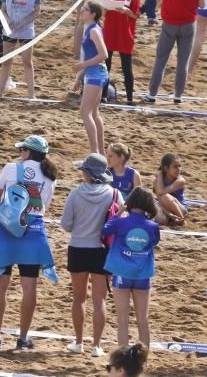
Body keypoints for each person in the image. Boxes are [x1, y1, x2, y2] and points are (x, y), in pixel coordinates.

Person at [0, 135, 57, 350]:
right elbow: (44, 205)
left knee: (1, 285)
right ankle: (23, 338)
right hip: (33, 230)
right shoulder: (50, 176)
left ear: (27, 152)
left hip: (7, 228)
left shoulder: (11, 168)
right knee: (29, 286)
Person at [61, 153, 118, 357]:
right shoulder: (113, 194)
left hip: (78, 247)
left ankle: (78, 342)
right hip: (102, 250)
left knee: (79, 298)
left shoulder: (75, 193)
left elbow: (66, 224)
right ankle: (96, 345)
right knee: (99, 300)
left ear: (87, 172)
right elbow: (119, 221)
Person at [102, 187, 161, 348]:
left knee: (122, 320)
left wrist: (118, 212)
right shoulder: (152, 226)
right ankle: (143, 360)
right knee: (143, 319)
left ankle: (123, 358)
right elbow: (155, 242)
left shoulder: (121, 222)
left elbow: (105, 230)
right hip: (142, 275)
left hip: (122, 273)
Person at [146, 0, 203, 103]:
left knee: (161, 60)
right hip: (188, 24)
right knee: (182, 62)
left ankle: (152, 94)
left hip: (170, 23)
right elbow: (202, 3)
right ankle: (178, 96)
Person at [0, 0, 41, 99]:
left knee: (27, 61)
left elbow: (37, 11)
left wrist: (22, 22)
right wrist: (8, 20)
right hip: (10, 29)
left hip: (26, 30)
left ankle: (31, 95)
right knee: (6, 61)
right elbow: (2, 9)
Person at [99, 0, 141, 105]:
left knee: (126, 67)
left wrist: (126, 11)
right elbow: (102, 10)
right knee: (106, 65)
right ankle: (103, 95)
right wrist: (105, 7)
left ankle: (130, 99)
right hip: (110, 30)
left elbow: (135, 14)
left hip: (125, 32)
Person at [73, 2, 109, 154]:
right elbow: (92, 55)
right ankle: (100, 152)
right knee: (94, 113)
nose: (82, 11)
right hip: (95, 73)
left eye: (85, 10)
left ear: (93, 14)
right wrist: (79, 77)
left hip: (96, 73)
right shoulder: (90, 29)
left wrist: (82, 66)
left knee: (85, 112)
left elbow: (104, 55)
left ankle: (95, 152)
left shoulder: (94, 31)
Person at [153, 154, 187, 225]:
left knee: (165, 196)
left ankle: (182, 220)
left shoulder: (180, 180)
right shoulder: (157, 181)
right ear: (166, 168)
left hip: (180, 209)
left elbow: (161, 192)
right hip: (166, 209)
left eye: (179, 166)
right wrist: (169, 214)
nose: (178, 169)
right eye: (175, 167)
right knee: (151, 201)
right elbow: (160, 200)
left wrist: (159, 175)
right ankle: (170, 218)